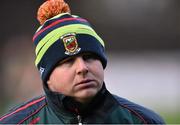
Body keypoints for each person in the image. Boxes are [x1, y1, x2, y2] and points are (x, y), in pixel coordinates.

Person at [0, 0, 165, 124]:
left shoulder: (144, 121)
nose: (82, 68)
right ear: (47, 75)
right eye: (68, 61)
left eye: (89, 57)